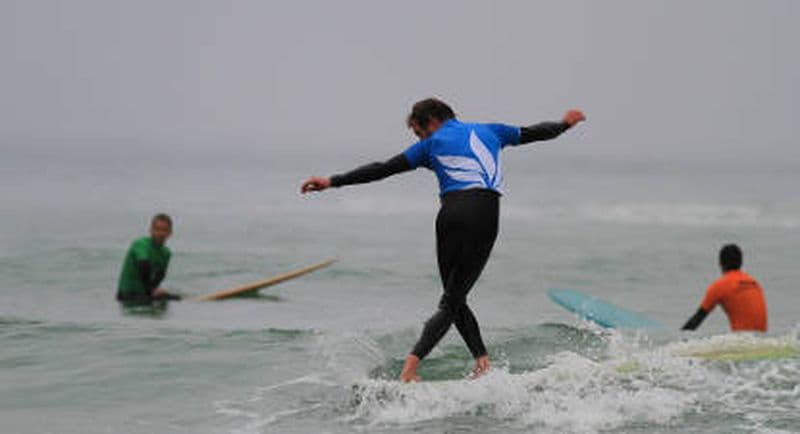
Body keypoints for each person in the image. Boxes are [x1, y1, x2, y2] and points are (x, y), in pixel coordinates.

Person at [300, 98, 586, 381]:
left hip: (449, 216)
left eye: (419, 132)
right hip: (483, 212)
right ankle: (410, 369)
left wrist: (332, 181)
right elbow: (537, 132)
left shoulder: (430, 145)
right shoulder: (491, 131)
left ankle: (481, 362)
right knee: (452, 300)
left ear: (432, 121)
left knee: (452, 296)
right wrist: (564, 124)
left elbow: (382, 168)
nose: (420, 139)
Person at [682, 244, 767, 332]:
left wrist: (678, 338)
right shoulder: (754, 283)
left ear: (720, 263)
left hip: (741, 338)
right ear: (741, 262)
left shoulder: (720, 285)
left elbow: (697, 319)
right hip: (762, 338)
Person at [116, 214, 181, 304]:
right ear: (151, 230)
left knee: (175, 299)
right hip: (127, 294)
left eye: (164, 230)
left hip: (144, 294)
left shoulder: (166, 253)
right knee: (168, 299)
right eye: (157, 229)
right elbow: (143, 265)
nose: (160, 233)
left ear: (170, 233)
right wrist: (151, 290)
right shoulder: (141, 244)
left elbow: (160, 276)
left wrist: (154, 290)